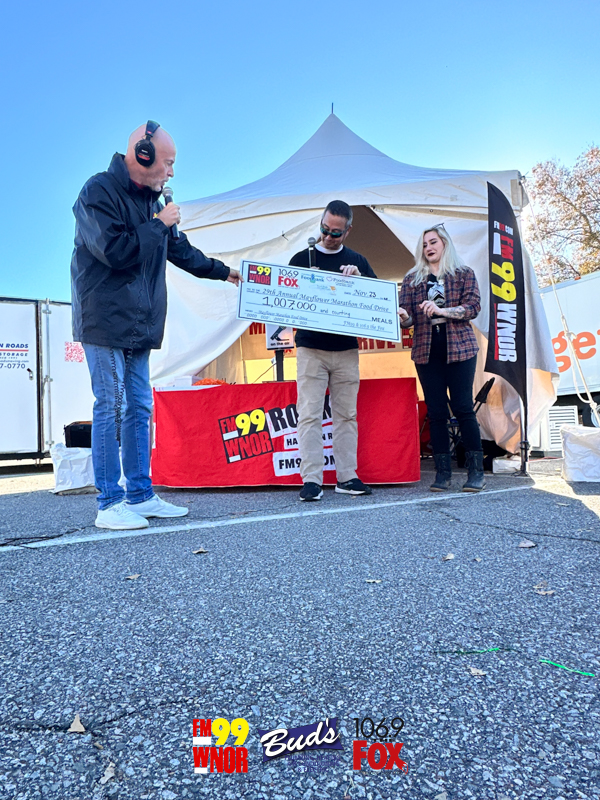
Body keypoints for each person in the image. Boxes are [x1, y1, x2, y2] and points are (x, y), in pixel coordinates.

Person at [71, 121, 242, 530]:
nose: (171, 173)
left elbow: (179, 251)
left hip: (139, 324)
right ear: (143, 155)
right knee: (112, 405)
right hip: (105, 320)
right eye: (168, 163)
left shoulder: (152, 203)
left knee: (140, 407)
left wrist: (224, 272)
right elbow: (115, 251)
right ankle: (109, 503)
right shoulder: (98, 192)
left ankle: (140, 494)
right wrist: (160, 223)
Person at [289, 200, 376, 501]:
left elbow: (378, 301)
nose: (327, 236)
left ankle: (347, 477)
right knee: (309, 415)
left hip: (346, 349)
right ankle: (312, 479)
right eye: (324, 229)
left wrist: (360, 281)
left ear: (348, 231)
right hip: (310, 348)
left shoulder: (358, 261)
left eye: (335, 233)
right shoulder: (301, 258)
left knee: (346, 415)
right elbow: (284, 301)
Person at [398, 224, 485, 492]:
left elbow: (473, 308)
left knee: (463, 407)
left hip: (461, 349)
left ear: (445, 243)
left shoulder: (464, 273)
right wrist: (404, 317)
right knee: (436, 412)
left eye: (433, 242)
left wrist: (441, 311)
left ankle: (476, 472)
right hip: (426, 351)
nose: (429, 248)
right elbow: (407, 320)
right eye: (424, 245)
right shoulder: (412, 279)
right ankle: (442, 474)